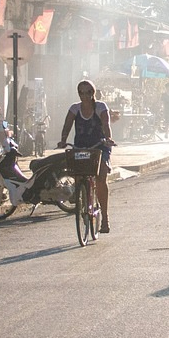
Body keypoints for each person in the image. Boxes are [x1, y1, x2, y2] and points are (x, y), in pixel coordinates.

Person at [58, 79, 115, 232]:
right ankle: (82, 200)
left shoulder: (101, 107)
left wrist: (108, 138)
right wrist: (63, 140)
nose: (85, 95)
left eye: (88, 92)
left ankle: (104, 218)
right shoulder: (75, 109)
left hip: (99, 146)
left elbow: (106, 124)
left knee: (101, 178)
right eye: (81, 92)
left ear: (93, 93)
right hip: (80, 146)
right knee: (78, 174)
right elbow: (67, 125)